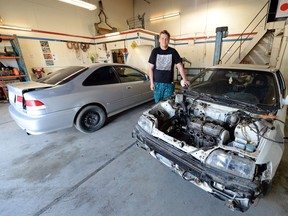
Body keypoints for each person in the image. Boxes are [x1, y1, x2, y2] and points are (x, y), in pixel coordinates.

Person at [148, 30, 190, 103]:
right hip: (157, 84)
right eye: (162, 38)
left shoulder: (173, 51)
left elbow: (180, 66)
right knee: (158, 104)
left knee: (169, 103)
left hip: (169, 84)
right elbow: (150, 68)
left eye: (166, 39)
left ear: (169, 40)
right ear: (159, 40)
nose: (164, 40)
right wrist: (151, 83)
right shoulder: (155, 51)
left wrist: (185, 79)